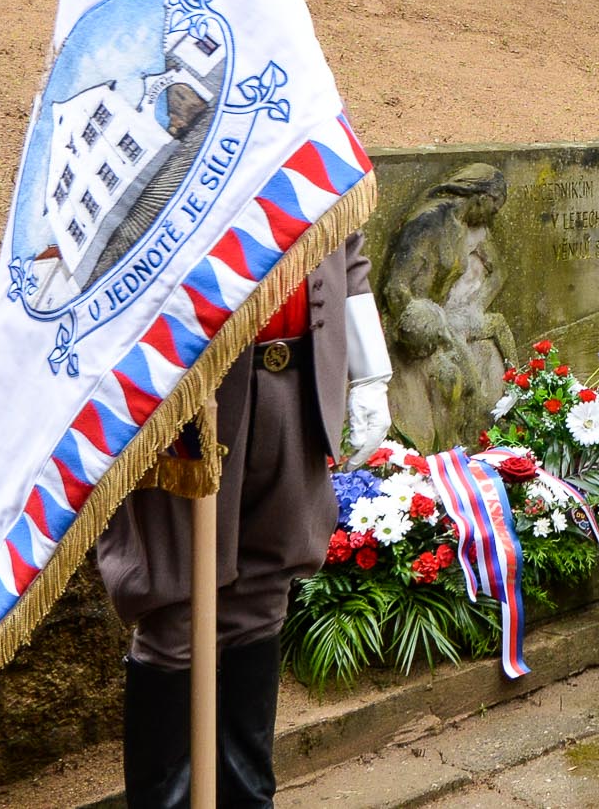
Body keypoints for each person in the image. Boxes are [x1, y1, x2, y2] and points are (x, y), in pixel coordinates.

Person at [96, 232, 393, 807]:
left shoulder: (307, 134)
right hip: (185, 391)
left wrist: (369, 369)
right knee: (176, 605)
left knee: (263, 596)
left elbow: (345, 236)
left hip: (296, 380)